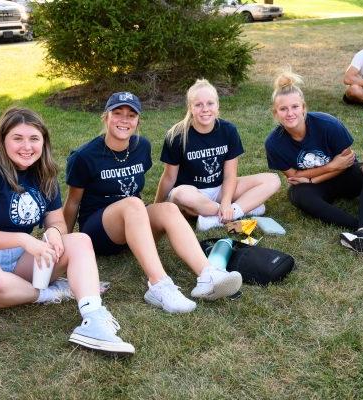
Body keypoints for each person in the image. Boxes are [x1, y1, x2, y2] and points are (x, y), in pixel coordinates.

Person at [0, 107, 134, 355]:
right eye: (17, 138)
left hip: (19, 259)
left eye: (34, 139)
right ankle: (51, 293)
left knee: (79, 240)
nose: (26, 147)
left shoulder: (44, 173)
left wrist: (54, 232)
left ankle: (94, 318)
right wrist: (25, 239)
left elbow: (57, 222)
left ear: (44, 141)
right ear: (2, 140)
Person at [63, 92, 242, 314]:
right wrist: (65, 245)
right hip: (99, 231)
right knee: (133, 203)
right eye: (117, 113)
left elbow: (149, 201)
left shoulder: (141, 147)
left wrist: (156, 215)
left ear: (138, 120)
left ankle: (208, 275)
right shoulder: (84, 156)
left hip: (133, 224)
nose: (124, 120)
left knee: (167, 207)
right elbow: (72, 203)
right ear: (105, 117)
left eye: (131, 115)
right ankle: (158, 285)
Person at [265, 70, 363, 258]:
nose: (290, 113)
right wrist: (330, 167)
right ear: (276, 112)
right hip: (314, 186)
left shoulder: (327, 123)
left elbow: (347, 161)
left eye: (295, 107)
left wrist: (315, 175)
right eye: (283, 109)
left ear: (304, 107)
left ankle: (362, 232)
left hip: (344, 177)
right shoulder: (274, 142)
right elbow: (294, 177)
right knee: (298, 195)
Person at [154, 79, 281, 231]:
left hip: (220, 189)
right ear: (190, 108)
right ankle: (240, 210)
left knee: (273, 180)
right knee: (180, 194)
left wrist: (227, 202)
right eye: (198, 104)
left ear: (217, 105)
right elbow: (169, 177)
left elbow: (230, 175)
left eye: (210, 103)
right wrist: (157, 206)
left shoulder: (228, 131)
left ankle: (219, 217)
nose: (205, 109)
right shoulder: (177, 135)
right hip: (193, 194)